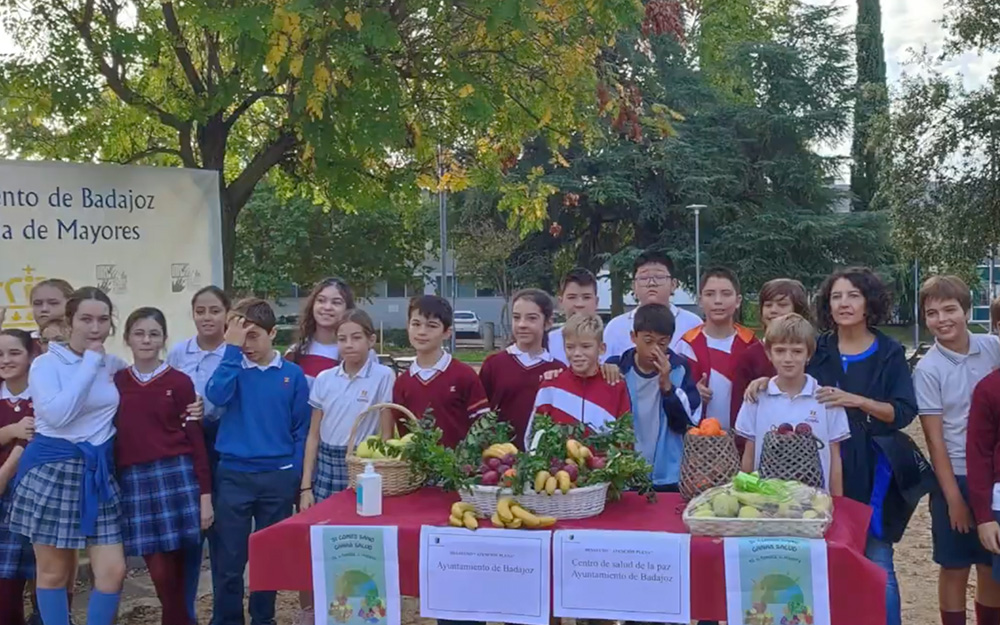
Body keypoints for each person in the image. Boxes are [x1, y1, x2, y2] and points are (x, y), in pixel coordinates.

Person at [748, 267, 917, 625]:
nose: (844, 303)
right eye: (837, 296)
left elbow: (902, 412)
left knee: (877, 556)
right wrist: (766, 381)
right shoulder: (818, 346)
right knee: (822, 558)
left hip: (871, 464)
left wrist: (857, 400)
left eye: (853, 295)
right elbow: (792, 375)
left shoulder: (888, 352)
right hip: (819, 466)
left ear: (869, 302)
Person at [7, 287, 129, 625]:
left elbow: (142, 385)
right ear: (70, 321)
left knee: (113, 571)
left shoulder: (112, 363)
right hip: (54, 472)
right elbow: (59, 415)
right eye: (86, 319)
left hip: (97, 474)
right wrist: (89, 363)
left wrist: (193, 401)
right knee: (53, 573)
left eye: (103, 319)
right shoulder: (47, 364)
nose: (95, 327)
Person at [205, 298, 310, 625]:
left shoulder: (292, 375)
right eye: (239, 336)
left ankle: (263, 618)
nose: (246, 344)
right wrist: (230, 352)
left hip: (276, 479)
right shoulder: (233, 367)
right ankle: (228, 619)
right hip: (235, 476)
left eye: (254, 336)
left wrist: (292, 474)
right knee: (229, 560)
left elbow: (300, 430)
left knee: (268, 558)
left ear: (272, 333)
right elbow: (215, 395)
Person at [297, 309, 395, 624]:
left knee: (361, 545)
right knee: (320, 543)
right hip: (326, 465)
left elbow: (386, 432)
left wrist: (378, 473)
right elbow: (313, 435)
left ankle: (367, 613)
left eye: (356, 337)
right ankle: (314, 610)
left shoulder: (384, 376)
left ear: (371, 339)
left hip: (362, 468)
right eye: (342, 339)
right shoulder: (325, 379)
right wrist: (306, 486)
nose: (349, 345)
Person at [114, 307, 211, 625]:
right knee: (157, 568)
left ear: (164, 339)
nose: (146, 340)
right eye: (139, 333)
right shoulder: (116, 382)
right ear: (127, 338)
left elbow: (195, 440)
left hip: (177, 477)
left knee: (178, 565)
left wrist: (205, 495)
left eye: (154, 333)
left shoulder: (180, 383)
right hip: (135, 480)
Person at [913, 276, 1000, 625]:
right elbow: (935, 440)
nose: (941, 319)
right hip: (957, 474)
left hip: (992, 475)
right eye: (932, 313)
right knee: (954, 565)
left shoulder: (992, 347)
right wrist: (953, 499)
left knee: (989, 564)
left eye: (949, 309)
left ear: (966, 310)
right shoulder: (928, 369)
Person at [166, 284, 230, 623]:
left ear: (226, 315)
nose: (207, 317)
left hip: (224, 446)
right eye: (201, 311)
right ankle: (183, 614)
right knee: (190, 536)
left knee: (223, 537)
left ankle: (223, 614)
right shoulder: (179, 353)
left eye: (214, 311)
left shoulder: (234, 353)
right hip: (187, 448)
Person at [734, 313, 849, 494]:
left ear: (809, 354)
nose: (788, 359)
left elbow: (835, 458)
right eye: (780, 351)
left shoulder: (827, 400)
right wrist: (743, 497)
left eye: (797, 351)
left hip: (815, 503)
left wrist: (838, 503)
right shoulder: (756, 397)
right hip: (765, 501)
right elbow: (749, 453)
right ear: (768, 354)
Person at [607, 304, 700, 491]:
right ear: (634, 337)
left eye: (662, 343)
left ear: (670, 341)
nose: (654, 349)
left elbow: (688, 424)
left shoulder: (679, 369)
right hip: (627, 473)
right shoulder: (618, 369)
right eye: (647, 341)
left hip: (668, 475)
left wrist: (667, 387)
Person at [389, 295, 488, 448]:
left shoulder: (464, 375)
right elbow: (403, 432)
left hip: (459, 468)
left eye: (432, 325)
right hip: (415, 469)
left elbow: (482, 426)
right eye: (416, 324)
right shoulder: (402, 383)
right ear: (408, 326)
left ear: (447, 332)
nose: (422, 332)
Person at [526, 313, 631, 446]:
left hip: (603, 466)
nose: (577, 353)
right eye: (570, 347)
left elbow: (625, 438)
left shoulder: (615, 385)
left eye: (586, 346)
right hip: (559, 466)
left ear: (601, 348)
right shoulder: (550, 386)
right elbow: (534, 438)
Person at [676, 267, 759, 432]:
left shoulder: (751, 344)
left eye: (726, 294)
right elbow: (673, 392)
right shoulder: (686, 344)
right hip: (699, 439)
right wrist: (693, 393)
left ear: (738, 300)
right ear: (700, 301)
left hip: (744, 436)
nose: (718, 301)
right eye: (710, 294)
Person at [480, 289, 563, 447]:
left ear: (548, 322)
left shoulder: (558, 369)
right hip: (499, 459)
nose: (522, 324)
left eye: (532, 318)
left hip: (542, 460)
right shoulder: (494, 364)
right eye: (516, 317)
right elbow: (481, 417)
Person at [731, 278, 810, 420]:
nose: (773, 310)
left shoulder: (813, 349)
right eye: (768, 305)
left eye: (782, 304)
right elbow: (738, 409)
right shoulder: (749, 356)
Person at [0, 329, 38, 625]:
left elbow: (35, 438)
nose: (5, 360)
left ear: (30, 356)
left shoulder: (41, 392)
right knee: (5, 579)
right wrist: (10, 432)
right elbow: (20, 435)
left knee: (44, 573)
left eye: (14, 353)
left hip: (36, 491)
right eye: (0, 354)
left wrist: (6, 472)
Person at [604, 250, 702, 360]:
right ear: (634, 286)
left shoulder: (693, 324)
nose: (651, 283)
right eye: (644, 278)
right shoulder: (615, 327)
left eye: (659, 277)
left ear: (673, 284)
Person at [287, 278, 356, 384]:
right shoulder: (296, 352)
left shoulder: (358, 352)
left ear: (347, 309)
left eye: (336, 302)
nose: (327, 307)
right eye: (321, 300)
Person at [549, 268, 600, 366]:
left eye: (586, 297)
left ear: (596, 302)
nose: (579, 304)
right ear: (561, 302)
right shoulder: (548, 342)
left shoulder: (609, 337)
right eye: (572, 297)